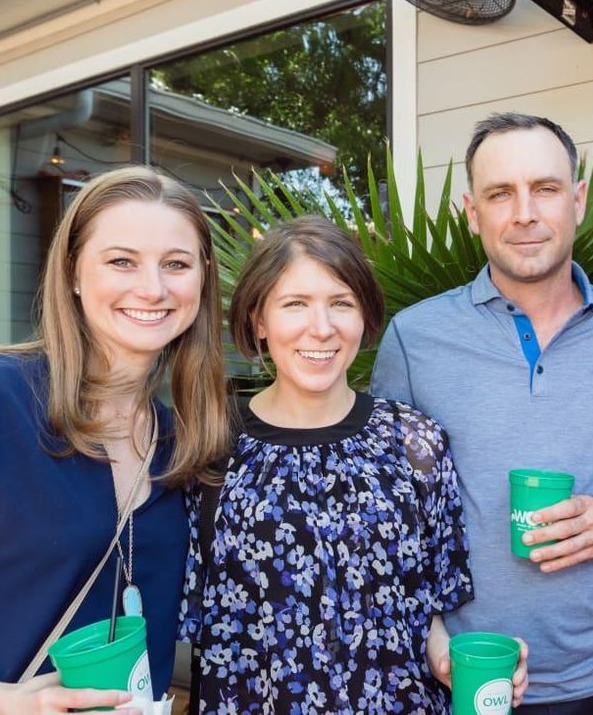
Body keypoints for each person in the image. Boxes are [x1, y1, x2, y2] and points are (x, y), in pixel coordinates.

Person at [371, 113, 593, 713]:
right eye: (501, 193)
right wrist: (430, 642)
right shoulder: (413, 338)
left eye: (545, 189)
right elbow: (387, 518)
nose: (524, 212)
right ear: (473, 213)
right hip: (466, 677)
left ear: (576, 201)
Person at [180, 216, 527, 714]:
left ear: (363, 315)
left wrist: (453, 660)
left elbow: (422, 601)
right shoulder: (209, 444)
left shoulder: (414, 442)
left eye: (340, 303)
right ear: (259, 320)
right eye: (295, 303)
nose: (321, 327)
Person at [0, 167, 229, 714]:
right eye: (121, 261)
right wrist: (7, 704)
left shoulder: (184, 442)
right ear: (73, 273)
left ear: (202, 281)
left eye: (176, 265)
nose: (152, 288)